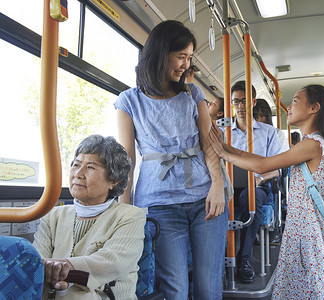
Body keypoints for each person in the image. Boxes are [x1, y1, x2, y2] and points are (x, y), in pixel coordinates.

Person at [114, 20, 228, 300]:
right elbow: (127, 159)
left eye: (189, 58)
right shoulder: (129, 101)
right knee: (174, 289)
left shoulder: (193, 94)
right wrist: (122, 209)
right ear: (160, 52)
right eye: (181, 56)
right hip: (159, 203)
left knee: (207, 286)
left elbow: (209, 145)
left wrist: (217, 185)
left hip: (205, 198)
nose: (185, 65)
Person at [209, 84, 324, 299]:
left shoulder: (312, 144)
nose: (289, 107)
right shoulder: (312, 142)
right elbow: (263, 160)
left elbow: (264, 166)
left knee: (314, 288)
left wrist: (223, 153)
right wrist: (225, 148)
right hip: (308, 228)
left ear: (314, 108)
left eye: (295, 101)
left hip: (308, 231)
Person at [33, 134, 146, 300]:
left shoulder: (130, 216)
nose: (78, 173)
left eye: (90, 167)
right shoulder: (53, 215)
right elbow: (36, 260)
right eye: (76, 164)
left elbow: (113, 262)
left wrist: (63, 270)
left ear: (114, 180)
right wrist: (53, 277)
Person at [228, 80, 281, 283]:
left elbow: (276, 168)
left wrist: (259, 178)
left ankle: (244, 258)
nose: (240, 106)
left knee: (249, 197)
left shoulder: (268, 133)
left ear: (253, 102)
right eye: (236, 102)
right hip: (229, 184)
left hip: (258, 184)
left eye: (244, 101)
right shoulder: (224, 132)